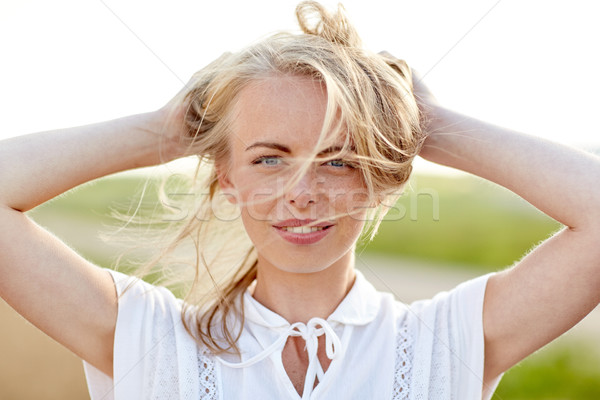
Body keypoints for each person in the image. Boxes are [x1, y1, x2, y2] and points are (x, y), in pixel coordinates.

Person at [1, 1, 599, 399]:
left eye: (338, 159)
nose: (303, 193)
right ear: (226, 181)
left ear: (379, 180)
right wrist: (163, 132)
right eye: (268, 158)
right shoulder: (148, 339)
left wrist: (433, 126)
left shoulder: (447, 342)